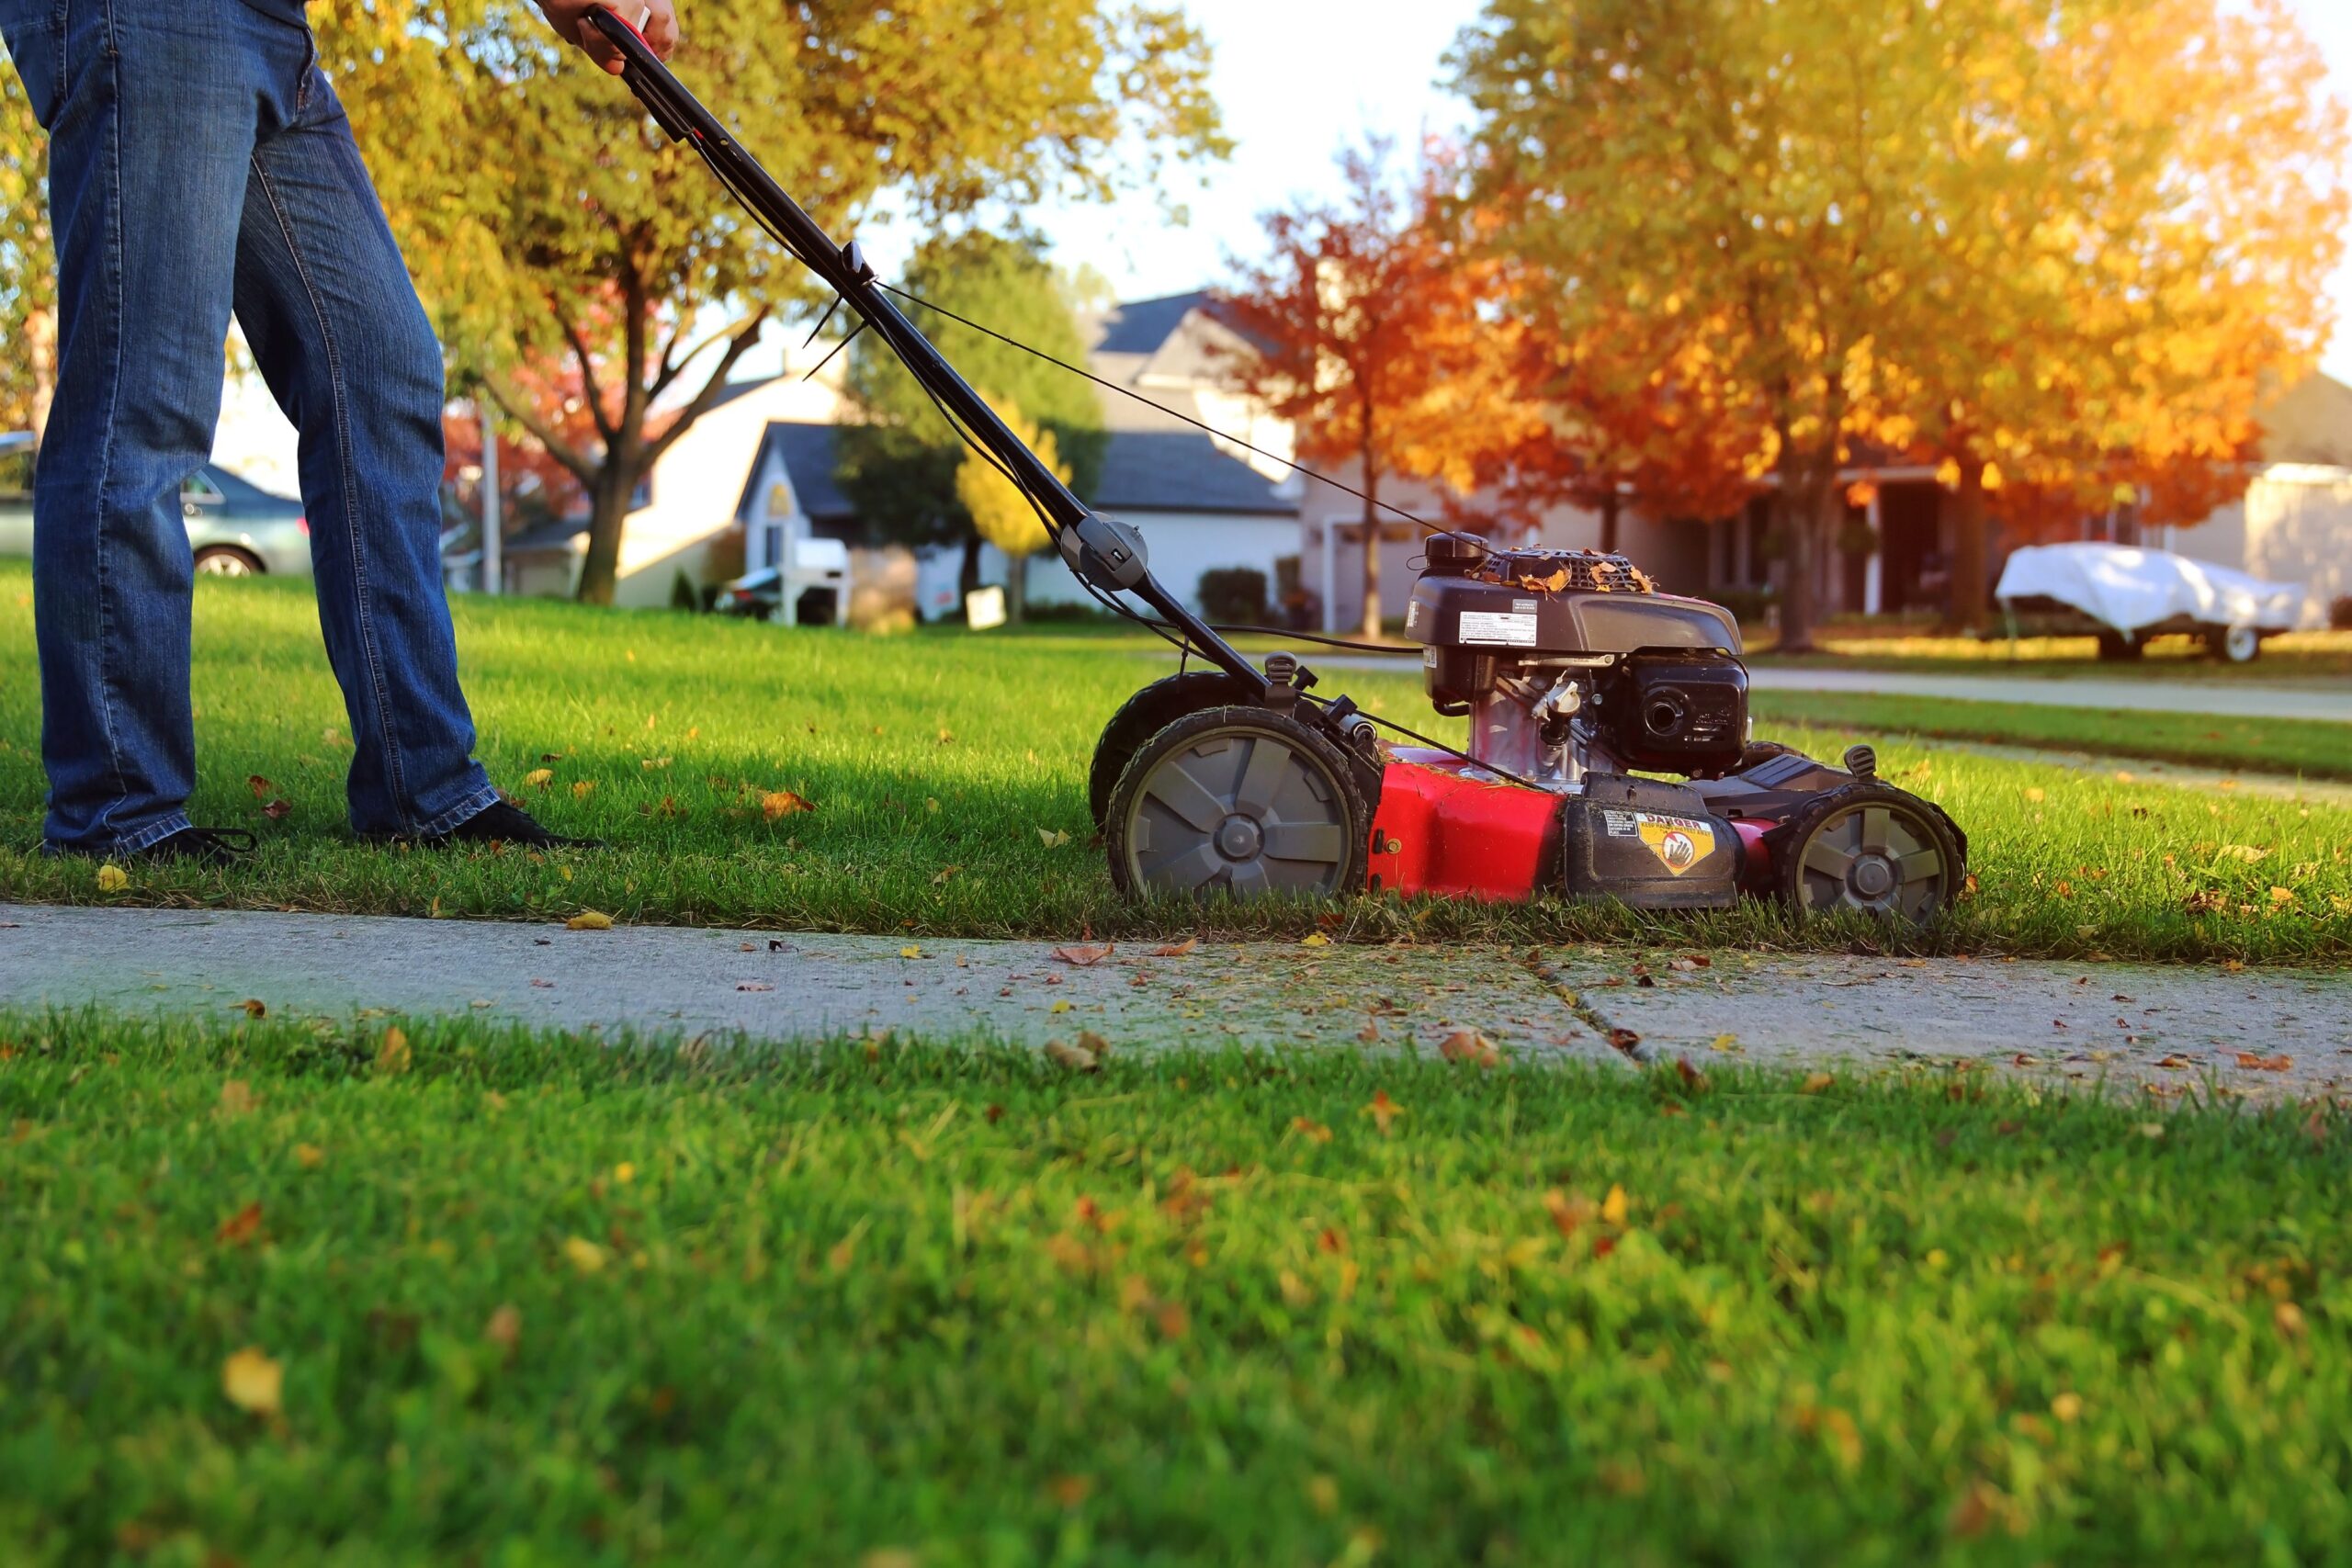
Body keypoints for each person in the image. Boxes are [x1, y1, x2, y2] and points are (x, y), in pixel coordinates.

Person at [0, 0, 679, 863]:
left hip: (271, 25)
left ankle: (422, 789)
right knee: (147, 397)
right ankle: (117, 812)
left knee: (382, 367)